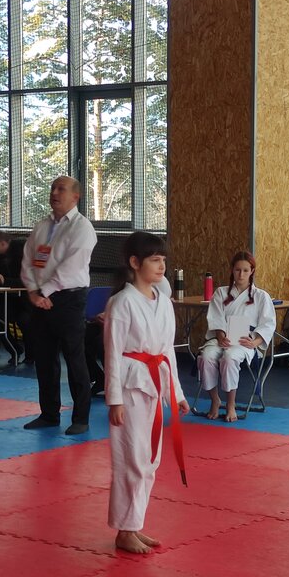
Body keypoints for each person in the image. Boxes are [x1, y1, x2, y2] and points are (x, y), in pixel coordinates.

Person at [104, 231, 189, 554]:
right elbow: (112, 354)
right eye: (155, 260)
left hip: (154, 384)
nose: (161, 266)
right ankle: (124, 530)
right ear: (135, 262)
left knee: (150, 460)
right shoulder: (121, 303)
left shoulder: (163, 302)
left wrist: (176, 393)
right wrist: (114, 399)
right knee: (132, 459)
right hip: (129, 387)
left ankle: (133, 525)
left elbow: (167, 352)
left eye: (163, 260)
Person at [20, 176, 97, 435]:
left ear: (75, 196)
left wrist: (44, 291)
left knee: (74, 358)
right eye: (52, 188)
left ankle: (81, 418)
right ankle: (49, 414)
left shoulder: (82, 227)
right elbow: (28, 260)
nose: (54, 192)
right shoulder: (42, 226)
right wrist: (33, 291)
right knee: (44, 358)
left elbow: (71, 267)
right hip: (39, 297)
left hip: (68, 298)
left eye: (61, 189)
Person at [198, 250, 276, 422]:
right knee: (206, 356)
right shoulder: (221, 293)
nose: (241, 274)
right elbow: (216, 318)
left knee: (230, 357)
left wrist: (255, 342)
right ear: (232, 270)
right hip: (222, 338)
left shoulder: (261, 296)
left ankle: (231, 404)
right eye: (237, 270)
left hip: (245, 342)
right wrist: (220, 336)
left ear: (252, 271)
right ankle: (215, 400)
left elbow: (268, 324)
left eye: (245, 270)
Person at [0, 230, 33, 363]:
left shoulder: (22, 251)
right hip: (9, 297)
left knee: (24, 321)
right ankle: (15, 349)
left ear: (2, 243)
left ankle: (31, 355)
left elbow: (28, 281)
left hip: (27, 299)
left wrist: (5, 281)